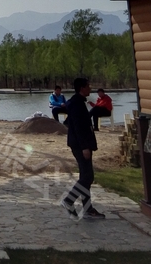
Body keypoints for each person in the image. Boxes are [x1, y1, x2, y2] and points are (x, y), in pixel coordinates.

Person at [60, 77, 105, 219]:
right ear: (82, 88)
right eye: (88, 86)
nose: (90, 88)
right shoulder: (77, 104)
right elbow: (79, 127)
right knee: (87, 176)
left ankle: (88, 208)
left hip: (79, 144)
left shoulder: (76, 102)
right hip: (80, 146)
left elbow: (69, 122)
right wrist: (85, 147)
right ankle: (69, 200)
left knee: (85, 176)